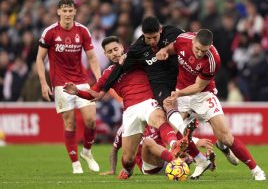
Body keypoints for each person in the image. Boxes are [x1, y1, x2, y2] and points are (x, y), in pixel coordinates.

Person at [96, 16, 213, 178]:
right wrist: (104, 88)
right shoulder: (132, 118)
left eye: (154, 38)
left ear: (160, 31)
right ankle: (183, 156)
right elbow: (115, 147)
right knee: (153, 138)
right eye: (147, 38)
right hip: (151, 161)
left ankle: (202, 155)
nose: (151, 42)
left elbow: (191, 42)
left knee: (180, 124)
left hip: (180, 80)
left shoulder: (173, 33)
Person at [63, 36, 191, 179]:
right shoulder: (108, 73)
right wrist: (77, 92)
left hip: (147, 101)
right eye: (110, 51)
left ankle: (174, 145)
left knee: (159, 118)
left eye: (116, 49)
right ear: (106, 55)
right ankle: (128, 170)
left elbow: (155, 56)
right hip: (130, 111)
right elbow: (95, 94)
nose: (114, 53)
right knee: (128, 158)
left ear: (122, 48)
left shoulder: (137, 59)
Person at [156, 29, 266, 181]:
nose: (200, 53)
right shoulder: (183, 39)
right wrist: (164, 50)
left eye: (204, 50)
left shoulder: (213, 59)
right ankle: (201, 161)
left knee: (226, 136)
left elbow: (198, 87)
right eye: (198, 49)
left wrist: (178, 94)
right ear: (193, 41)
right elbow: (172, 47)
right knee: (175, 133)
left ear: (210, 46)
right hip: (181, 92)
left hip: (203, 95)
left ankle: (256, 170)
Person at [36, 0, 101, 174]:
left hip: (82, 82)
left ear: (75, 12)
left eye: (70, 10)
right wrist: (44, 83)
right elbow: (39, 59)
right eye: (64, 11)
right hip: (60, 85)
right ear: (58, 12)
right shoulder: (50, 32)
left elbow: (92, 58)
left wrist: (100, 81)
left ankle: (86, 152)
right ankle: (75, 163)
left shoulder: (82, 31)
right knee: (70, 123)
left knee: (91, 121)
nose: (67, 14)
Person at [99, 124, 216, 176]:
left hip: (164, 161)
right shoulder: (126, 129)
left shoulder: (156, 123)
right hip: (149, 167)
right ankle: (180, 160)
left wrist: (195, 141)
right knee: (148, 142)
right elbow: (114, 149)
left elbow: (176, 136)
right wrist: (112, 170)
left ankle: (207, 163)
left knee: (179, 145)